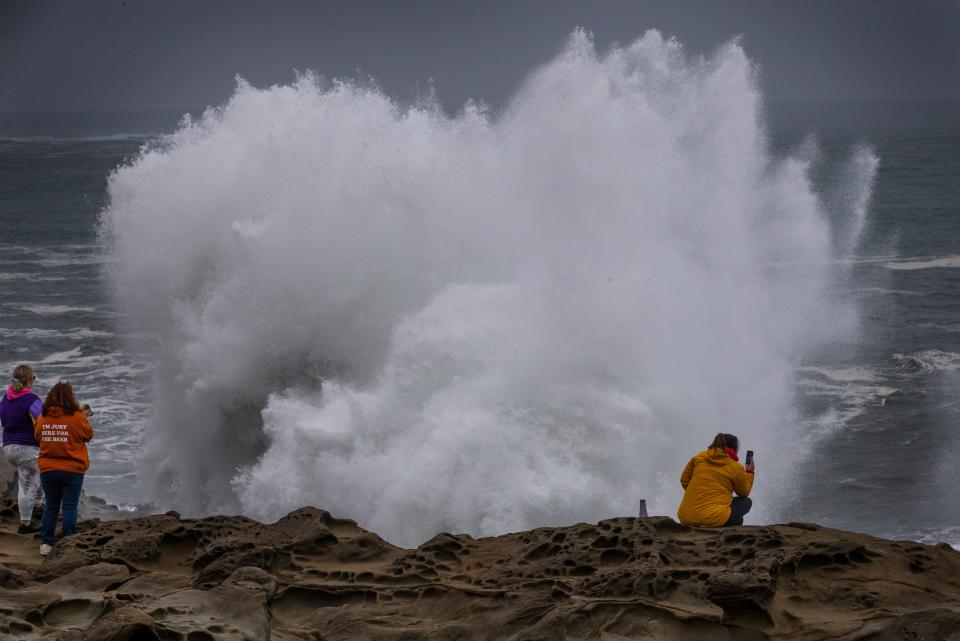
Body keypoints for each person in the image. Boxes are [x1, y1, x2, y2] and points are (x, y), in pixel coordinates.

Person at [33, 381, 93, 556]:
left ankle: (46, 544)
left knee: (51, 506)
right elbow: (89, 435)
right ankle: (69, 542)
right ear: (70, 398)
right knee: (69, 507)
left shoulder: (42, 418)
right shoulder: (77, 417)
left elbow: (37, 436)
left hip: (48, 469)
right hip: (72, 469)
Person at [0, 365, 44, 534]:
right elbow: (43, 421)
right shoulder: (31, 399)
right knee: (26, 485)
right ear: (29, 380)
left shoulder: (5, 399)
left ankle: (38, 506)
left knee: (36, 474)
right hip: (27, 448)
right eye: (33, 378)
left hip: (9, 448)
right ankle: (25, 525)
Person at [677, 433, 755, 527]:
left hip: (685, 517)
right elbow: (743, 492)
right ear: (734, 449)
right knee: (746, 502)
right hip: (713, 518)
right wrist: (750, 471)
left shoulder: (699, 457)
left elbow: (684, 481)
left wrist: (700, 492)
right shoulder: (736, 467)